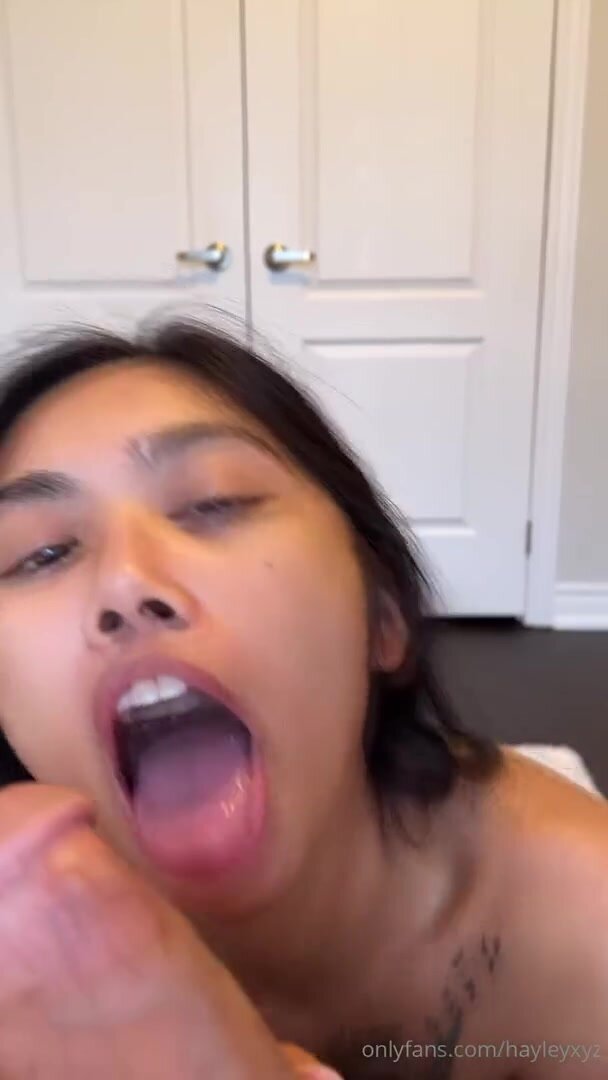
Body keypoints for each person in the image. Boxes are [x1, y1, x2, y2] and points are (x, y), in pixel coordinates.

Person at [0, 314, 606, 1079]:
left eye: (214, 502)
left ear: (381, 619)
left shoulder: (581, 921)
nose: (125, 581)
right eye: (42, 553)